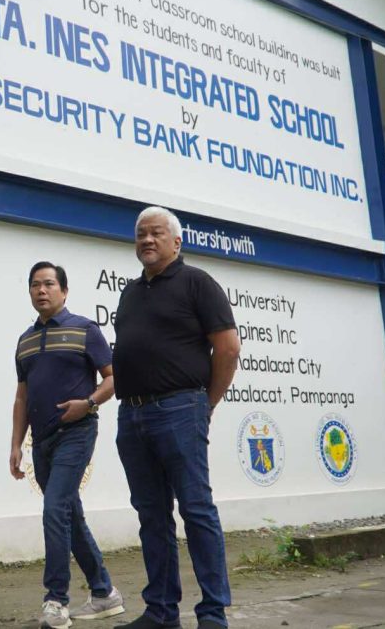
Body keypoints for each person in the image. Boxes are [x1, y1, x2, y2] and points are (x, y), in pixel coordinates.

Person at [111, 207, 241, 629]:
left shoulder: (197, 283)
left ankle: (213, 614)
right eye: (141, 234)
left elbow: (228, 348)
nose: (147, 240)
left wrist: (206, 404)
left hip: (180, 410)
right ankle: (161, 613)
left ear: (176, 242)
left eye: (156, 233)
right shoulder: (130, 293)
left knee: (196, 509)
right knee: (151, 515)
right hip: (132, 416)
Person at [11, 261, 125, 628]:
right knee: (68, 514)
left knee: (54, 509)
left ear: (64, 290)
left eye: (48, 284)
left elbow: (113, 379)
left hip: (77, 432)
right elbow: (22, 397)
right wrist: (16, 445)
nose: (41, 290)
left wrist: (88, 403)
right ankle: (104, 593)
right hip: (41, 440)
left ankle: (56, 600)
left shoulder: (85, 329)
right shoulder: (25, 341)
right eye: (35, 285)